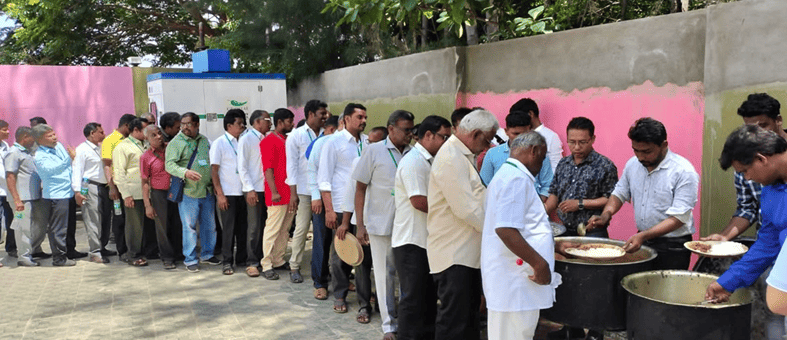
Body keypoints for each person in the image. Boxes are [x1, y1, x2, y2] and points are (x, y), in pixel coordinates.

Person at [588, 118, 699, 270]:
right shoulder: (633, 164)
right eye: (636, 150)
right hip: (643, 240)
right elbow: (619, 193)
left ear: (664, 145)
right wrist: (606, 214)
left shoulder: (684, 171)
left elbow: (679, 218)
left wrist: (643, 235)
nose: (641, 157)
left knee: (665, 293)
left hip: (673, 246)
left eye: (647, 152)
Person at [428, 109, 499, 340]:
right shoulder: (451, 157)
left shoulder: (462, 156)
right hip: (454, 255)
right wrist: (500, 234)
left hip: (466, 254)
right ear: (476, 133)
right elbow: (467, 209)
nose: (488, 146)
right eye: (487, 140)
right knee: (454, 323)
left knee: (468, 321)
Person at [482, 131, 559, 340]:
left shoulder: (511, 175)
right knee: (514, 334)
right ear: (534, 151)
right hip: (515, 279)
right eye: (542, 158)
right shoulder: (515, 179)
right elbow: (506, 229)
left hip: (513, 278)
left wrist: (553, 245)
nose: (542, 165)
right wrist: (539, 264)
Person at [707, 125, 787, 306]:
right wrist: (727, 281)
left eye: (745, 171)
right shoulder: (770, 191)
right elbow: (768, 244)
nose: (748, 179)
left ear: (761, 159)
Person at [351, 110, 414, 337]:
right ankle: (388, 324)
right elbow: (359, 189)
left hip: (408, 225)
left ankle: (405, 319)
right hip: (380, 223)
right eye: (406, 130)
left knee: (405, 273)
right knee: (384, 274)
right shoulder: (374, 151)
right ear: (391, 129)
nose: (410, 134)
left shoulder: (413, 153)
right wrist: (360, 225)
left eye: (411, 130)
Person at [392, 115, 452, 340]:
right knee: (413, 300)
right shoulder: (414, 162)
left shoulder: (430, 160)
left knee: (427, 299)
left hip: (426, 241)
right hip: (411, 242)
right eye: (444, 137)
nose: (446, 142)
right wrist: (452, 213)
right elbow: (419, 201)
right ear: (428, 135)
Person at [704, 93, 787, 242]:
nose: (757, 134)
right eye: (750, 129)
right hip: (769, 244)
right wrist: (724, 237)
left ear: (778, 120)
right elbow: (747, 209)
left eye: (763, 126)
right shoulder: (745, 159)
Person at [318, 103, 369, 313]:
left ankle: (365, 296)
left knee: (362, 252)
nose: (363, 121)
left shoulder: (368, 142)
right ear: (346, 119)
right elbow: (324, 179)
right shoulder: (333, 143)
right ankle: (339, 294)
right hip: (340, 206)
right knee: (341, 253)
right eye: (359, 117)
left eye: (365, 117)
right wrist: (329, 210)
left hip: (363, 208)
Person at [545, 117, 618, 238]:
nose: (577, 147)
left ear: (592, 139)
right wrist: (543, 212)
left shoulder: (605, 165)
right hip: (564, 229)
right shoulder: (563, 164)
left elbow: (611, 199)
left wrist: (580, 204)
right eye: (572, 142)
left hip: (593, 230)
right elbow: (554, 193)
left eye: (582, 142)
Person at [165, 112, 219, 273]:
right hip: (189, 191)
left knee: (209, 225)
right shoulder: (176, 142)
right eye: (183, 124)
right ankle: (190, 258)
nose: (185, 127)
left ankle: (208, 254)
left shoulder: (204, 141)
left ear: (197, 125)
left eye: (188, 124)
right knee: (189, 227)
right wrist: (185, 172)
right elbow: (169, 165)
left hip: (207, 190)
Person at [285, 100, 328, 283]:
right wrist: (293, 193)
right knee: (301, 229)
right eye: (322, 114)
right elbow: (291, 165)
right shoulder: (296, 136)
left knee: (324, 231)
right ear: (310, 114)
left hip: (324, 190)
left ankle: (324, 266)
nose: (325, 117)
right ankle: (294, 265)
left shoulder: (328, 134)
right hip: (304, 190)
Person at [480, 111, 553, 201]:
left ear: (530, 131)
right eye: (515, 134)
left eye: (524, 134)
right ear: (506, 131)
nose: (520, 139)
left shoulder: (539, 153)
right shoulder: (492, 154)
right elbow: (485, 186)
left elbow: (548, 185)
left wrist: (537, 206)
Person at [210, 109, 249, 275]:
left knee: (243, 228)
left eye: (243, 123)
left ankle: (241, 258)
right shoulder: (220, 143)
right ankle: (227, 262)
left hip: (244, 192)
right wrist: (220, 195)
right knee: (228, 229)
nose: (242, 126)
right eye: (239, 123)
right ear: (229, 125)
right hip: (228, 193)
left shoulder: (244, 141)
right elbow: (214, 171)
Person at [259, 108, 296, 280]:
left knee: (285, 230)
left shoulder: (287, 140)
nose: (292, 124)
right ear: (280, 122)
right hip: (277, 194)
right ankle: (266, 264)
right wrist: (274, 191)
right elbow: (268, 169)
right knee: (272, 229)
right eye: (290, 121)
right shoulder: (269, 141)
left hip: (289, 193)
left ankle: (279, 259)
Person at [307, 115, 340, 299]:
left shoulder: (357, 143)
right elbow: (312, 169)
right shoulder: (323, 143)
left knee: (343, 242)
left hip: (344, 201)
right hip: (323, 199)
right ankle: (319, 282)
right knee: (322, 239)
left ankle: (342, 279)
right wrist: (315, 197)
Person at [33, 124, 76, 266]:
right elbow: (50, 171)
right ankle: (58, 258)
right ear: (40, 139)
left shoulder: (59, 147)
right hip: (56, 194)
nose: (54, 137)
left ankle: (67, 252)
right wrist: (69, 159)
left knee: (67, 226)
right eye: (50, 136)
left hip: (68, 191)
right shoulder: (40, 155)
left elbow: (69, 167)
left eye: (54, 134)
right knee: (58, 228)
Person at [237, 109, 271, 277]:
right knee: (254, 227)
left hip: (268, 189)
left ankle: (266, 258)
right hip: (254, 189)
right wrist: (249, 188)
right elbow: (242, 167)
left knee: (267, 226)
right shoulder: (246, 139)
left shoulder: (268, 139)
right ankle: (252, 262)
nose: (270, 123)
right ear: (257, 122)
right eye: (267, 119)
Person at [140, 125, 179, 270]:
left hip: (175, 190)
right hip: (159, 193)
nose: (158, 137)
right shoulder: (146, 157)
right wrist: (147, 205)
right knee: (162, 226)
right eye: (153, 135)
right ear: (147, 138)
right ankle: (167, 257)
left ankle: (179, 253)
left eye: (159, 133)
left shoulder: (171, 148)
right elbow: (144, 182)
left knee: (177, 222)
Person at [6, 127, 45, 267]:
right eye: (32, 137)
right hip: (21, 200)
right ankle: (23, 256)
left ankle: (32, 251)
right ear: (25, 136)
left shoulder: (27, 152)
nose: (34, 140)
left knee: (33, 227)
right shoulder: (13, 153)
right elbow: (10, 177)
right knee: (22, 228)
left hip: (32, 197)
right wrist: (17, 199)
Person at [113, 118, 148, 267]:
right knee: (134, 225)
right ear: (136, 131)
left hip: (146, 192)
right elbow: (119, 173)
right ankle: (132, 254)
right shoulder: (123, 147)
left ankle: (144, 251)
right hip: (133, 192)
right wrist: (126, 194)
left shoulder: (144, 145)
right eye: (145, 130)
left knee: (144, 225)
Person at [72, 122, 108, 263]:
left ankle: (102, 246)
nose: (103, 134)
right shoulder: (82, 149)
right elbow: (77, 170)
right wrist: (77, 191)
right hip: (90, 186)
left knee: (105, 219)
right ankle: (95, 252)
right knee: (93, 219)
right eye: (100, 132)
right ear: (92, 133)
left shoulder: (100, 148)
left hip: (103, 187)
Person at [102, 113, 136, 261]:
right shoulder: (110, 141)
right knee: (119, 219)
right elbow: (107, 165)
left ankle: (132, 247)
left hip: (130, 186)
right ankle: (122, 250)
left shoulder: (130, 140)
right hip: (117, 186)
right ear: (127, 126)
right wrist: (112, 188)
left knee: (130, 219)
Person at [510, 98, 564, 172]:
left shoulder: (551, 137)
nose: (517, 120)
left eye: (520, 116)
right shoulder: (515, 136)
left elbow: (556, 168)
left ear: (530, 114)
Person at [0, 120, 15, 257]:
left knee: (11, 220)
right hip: (3, 187)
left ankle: (11, 248)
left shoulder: (5, 145)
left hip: (6, 190)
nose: (8, 132)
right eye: (4, 129)